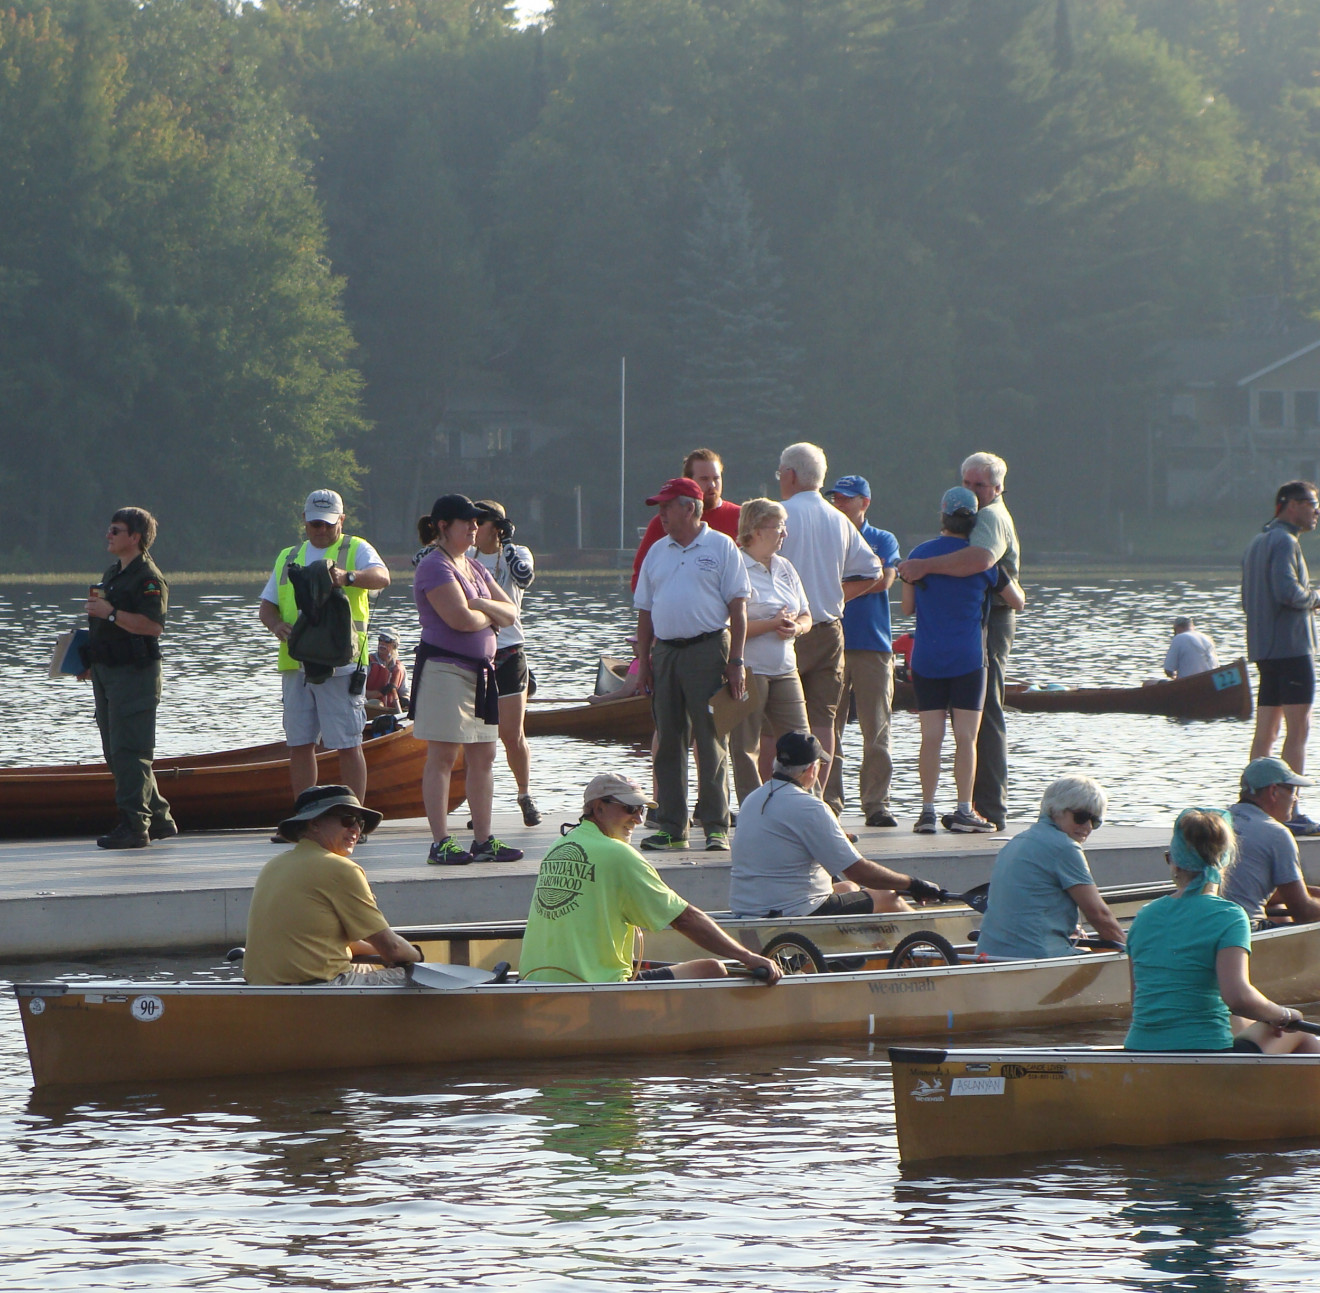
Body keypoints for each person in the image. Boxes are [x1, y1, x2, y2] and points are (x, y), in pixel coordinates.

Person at [519, 772, 782, 984]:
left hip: (535, 982)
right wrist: (747, 957)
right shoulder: (618, 854)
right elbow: (685, 918)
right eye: (630, 808)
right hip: (595, 988)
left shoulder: (558, 846)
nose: (638, 819)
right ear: (598, 809)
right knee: (712, 969)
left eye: (642, 810)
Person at [1124, 808, 1320, 1055]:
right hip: (1204, 1049)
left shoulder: (1143, 917)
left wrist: (1264, 1017)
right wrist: (1284, 1015)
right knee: (1300, 1032)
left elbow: (1137, 1001)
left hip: (1139, 1048)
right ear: (1227, 860)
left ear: (1173, 862)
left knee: (1244, 1021)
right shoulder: (1229, 916)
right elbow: (1237, 996)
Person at [898, 452, 1020, 830]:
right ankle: (971, 808)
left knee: (942, 732)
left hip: (952, 644)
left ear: (997, 488)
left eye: (979, 484)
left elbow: (979, 560)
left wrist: (920, 568)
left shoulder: (991, 519)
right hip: (970, 646)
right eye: (967, 484)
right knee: (972, 729)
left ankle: (935, 809)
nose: (973, 490)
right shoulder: (981, 532)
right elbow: (1012, 593)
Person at [634, 476, 751, 852]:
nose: (662, 514)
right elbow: (645, 611)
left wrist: (736, 661)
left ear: (689, 507)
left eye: (667, 506)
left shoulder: (720, 546)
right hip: (665, 652)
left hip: (709, 649)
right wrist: (644, 660)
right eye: (660, 507)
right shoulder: (657, 551)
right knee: (668, 740)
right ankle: (672, 825)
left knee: (711, 738)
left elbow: (739, 607)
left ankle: (715, 825)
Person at [412, 494, 524, 867]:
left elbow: (509, 612)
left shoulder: (475, 569)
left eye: (477, 523)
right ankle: (440, 842)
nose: (475, 528)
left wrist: (484, 607)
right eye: (467, 523)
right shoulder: (434, 566)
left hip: (482, 674)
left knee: (485, 756)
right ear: (444, 527)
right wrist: (485, 614)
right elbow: (457, 619)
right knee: (443, 757)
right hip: (446, 670)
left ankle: (483, 840)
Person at [259, 489, 391, 804]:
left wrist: (348, 576)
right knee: (300, 743)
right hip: (296, 663)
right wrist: (276, 625)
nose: (321, 530)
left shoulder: (355, 548)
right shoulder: (288, 556)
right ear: (304, 520)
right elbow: (267, 608)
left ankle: (354, 817)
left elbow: (383, 577)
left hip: (341, 663)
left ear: (341, 520)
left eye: (329, 524)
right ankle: (305, 818)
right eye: (315, 523)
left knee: (347, 743)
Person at [729, 732, 942, 919]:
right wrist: (912, 884)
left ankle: (856, 958)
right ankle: (931, 950)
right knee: (888, 898)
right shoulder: (810, 807)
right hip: (793, 910)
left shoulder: (753, 798)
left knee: (849, 889)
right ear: (811, 769)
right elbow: (859, 872)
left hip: (748, 907)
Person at [776, 443, 883, 792]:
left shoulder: (777, 516)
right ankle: (819, 799)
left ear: (790, 475)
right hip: (830, 629)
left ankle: (778, 795)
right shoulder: (839, 519)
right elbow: (872, 571)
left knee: (775, 720)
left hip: (785, 631)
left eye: (781, 472)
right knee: (824, 720)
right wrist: (838, 594)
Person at [243, 785, 422, 986]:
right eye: (348, 820)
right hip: (315, 989)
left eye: (360, 823)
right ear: (314, 824)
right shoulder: (342, 869)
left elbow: (323, 939)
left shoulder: (274, 865)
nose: (355, 829)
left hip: (262, 987)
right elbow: (393, 949)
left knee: (364, 967)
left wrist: (379, 953)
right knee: (419, 978)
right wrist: (417, 956)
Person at [82, 507, 176, 849]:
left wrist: (111, 613)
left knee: (130, 750)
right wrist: (88, 659)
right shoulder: (114, 573)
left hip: (134, 675)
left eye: (115, 530)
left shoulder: (148, 578)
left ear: (134, 537)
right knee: (114, 749)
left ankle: (135, 827)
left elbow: (153, 627)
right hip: (108, 672)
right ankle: (160, 819)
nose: (108, 535)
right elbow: (108, 627)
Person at [974, 774, 1126, 959]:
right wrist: (1134, 952)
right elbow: (1098, 915)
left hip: (988, 954)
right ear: (1055, 810)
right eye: (1081, 817)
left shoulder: (1015, 842)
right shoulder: (1065, 847)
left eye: (1095, 821)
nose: (1087, 826)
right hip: (1034, 958)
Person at [822, 475, 902, 828]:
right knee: (828, 727)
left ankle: (876, 803)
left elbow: (884, 580)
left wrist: (835, 589)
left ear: (864, 503)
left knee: (877, 728)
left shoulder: (882, 538)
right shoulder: (826, 537)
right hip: (831, 644)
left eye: (847, 498)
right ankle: (828, 801)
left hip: (873, 645)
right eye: (836, 497)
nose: (839, 503)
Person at [1242, 480, 1320, 833]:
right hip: (1291, 649)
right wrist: (1314, 598)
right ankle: (1291, 811)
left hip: (1264, 650)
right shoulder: (1285, 541)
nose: (1316, 512)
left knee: (1266, 732)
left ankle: (1251, 803)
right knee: (1298, 730)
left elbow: (1249, 597)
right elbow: (1287, 591)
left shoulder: (1259, 541)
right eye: (1312, 504)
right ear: (1290, 504)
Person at [730, 498, 811, 804]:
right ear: (755, 529)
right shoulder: (735, 566)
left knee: (804, 743)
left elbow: (806, 615)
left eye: (784, 526)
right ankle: (753, 812)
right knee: (745, 747)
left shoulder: (785, 567)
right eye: (778, 526)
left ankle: (808, 810)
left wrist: (797, 628)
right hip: (749, 669)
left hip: (785, 667)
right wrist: (771, 623)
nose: (784, 533)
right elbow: (728, 628)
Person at [471, 499, 541, 826]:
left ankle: (524, 794)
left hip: (510, 651)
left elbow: (524, 578)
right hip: (475, 652)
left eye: (479, 522)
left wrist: (508, 541)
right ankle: (480, 804)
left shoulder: (518, 553)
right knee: (478, 737)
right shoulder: (463, 556)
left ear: (496, 527)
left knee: (512, 735)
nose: (472, 528)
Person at [1225, 757, 1320, 925]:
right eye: (1292, 790)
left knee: (1279, 910)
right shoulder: (1277, 834)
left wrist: (1312, 892)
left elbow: (1242, 888)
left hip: (1200, 927)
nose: (1295, 798)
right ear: (1273, 791)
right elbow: (1304, 912)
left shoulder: (1214, 822)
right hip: (1243, 933)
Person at [632, 448, 740, 590]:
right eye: (704, 479)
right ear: (689, 482)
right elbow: (639, 577)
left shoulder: (742, 518)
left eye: (716, 478)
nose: (712, 485)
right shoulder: (664, 522)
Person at [365, 629, 409, 714]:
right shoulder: (368, 663)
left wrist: (405, 700)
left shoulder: (400, 668)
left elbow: (405, 693)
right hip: (369, 708)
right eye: (380, 639)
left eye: (387, 640)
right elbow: (358, 695)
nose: (382, 643)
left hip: (391, 710)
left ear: (395, 645)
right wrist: (381, 692)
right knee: (377, 704)